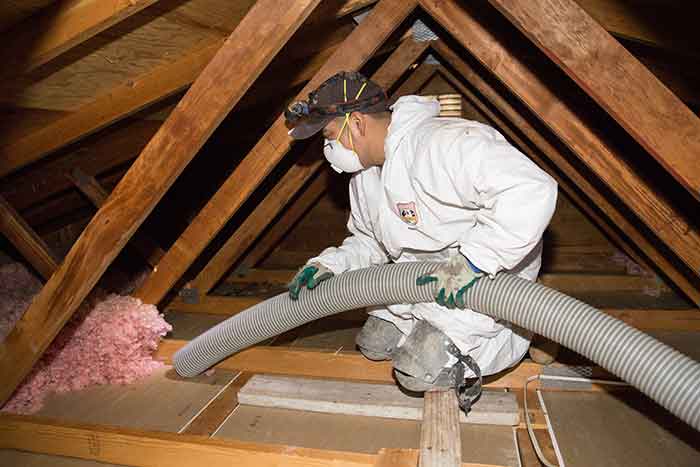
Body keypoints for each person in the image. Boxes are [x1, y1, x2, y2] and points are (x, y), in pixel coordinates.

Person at [284, 71, 557, 395]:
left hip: (481, 276)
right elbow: (369, 240)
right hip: (420, 278)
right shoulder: (364, 176)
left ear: (356, 123)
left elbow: (531, 189)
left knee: (416, 373)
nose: (328, 149)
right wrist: (332, 264)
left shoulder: (445, 143)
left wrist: (475, 261)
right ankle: (427, 325)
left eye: (330, 136)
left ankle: (529, 325)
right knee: (374, 343)